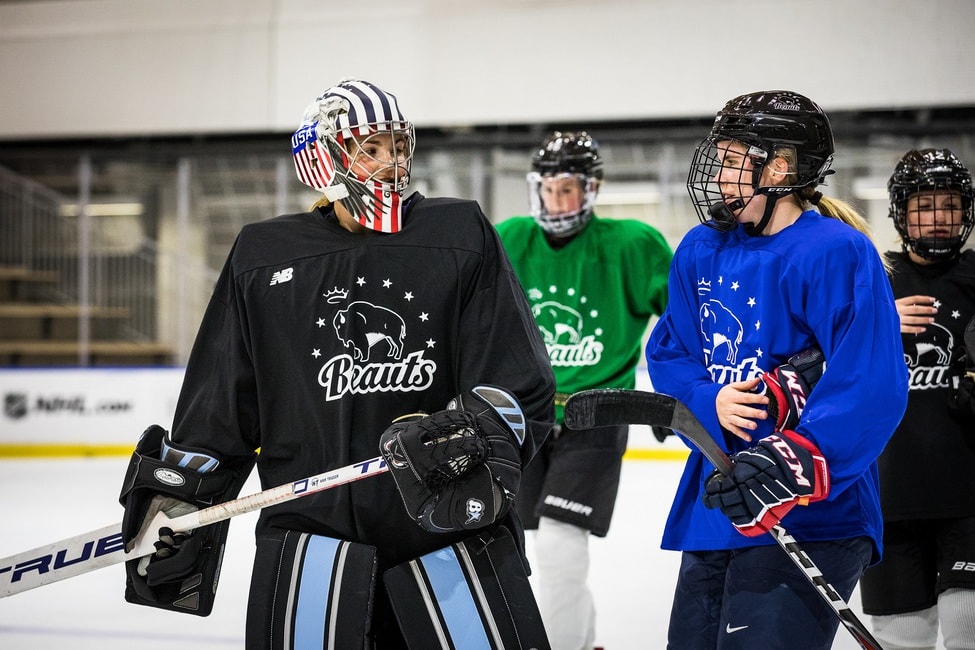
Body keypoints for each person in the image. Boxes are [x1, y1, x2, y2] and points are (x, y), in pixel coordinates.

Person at [116, 78, 556, 648]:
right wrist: (180, 497)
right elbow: (222, 402)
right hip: (312, 548)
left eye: (397, 146)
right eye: (369, 148)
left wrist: (474, 434)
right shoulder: (263, 254)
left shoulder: (460, 233)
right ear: (324, 155)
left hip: (447, 534)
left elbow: (519, 380)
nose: (391, 162)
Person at [645, 90, 909, 649]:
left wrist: (795, 461)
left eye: (733, 159)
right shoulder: (700, 249)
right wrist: (705, 400)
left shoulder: (836, 251)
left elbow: (870, 380)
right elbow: (671, 351)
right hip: (720, 504)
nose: (719, 177)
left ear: (779, 168)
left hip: (813, 512)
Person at [495, 131, 672, 649]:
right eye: (549, 189)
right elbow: (476, 321)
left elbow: (683, 323)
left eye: (568, 188)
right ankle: (585, 641)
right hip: (524, 417)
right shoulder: (510, 238)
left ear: (592, 189)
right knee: (539, 547)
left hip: (598, 412)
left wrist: (672, 393)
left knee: (559, 542)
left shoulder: (632, 244)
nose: (558, 200)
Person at [858, 148, 975, 650]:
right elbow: (825, 353)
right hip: (889, 496)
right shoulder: (873, 277)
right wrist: (879, 321)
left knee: (968, 622)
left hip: (969, 495)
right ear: (900, 212)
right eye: (924, 206)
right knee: (900, 637)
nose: (938, 218)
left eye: (948, 205)